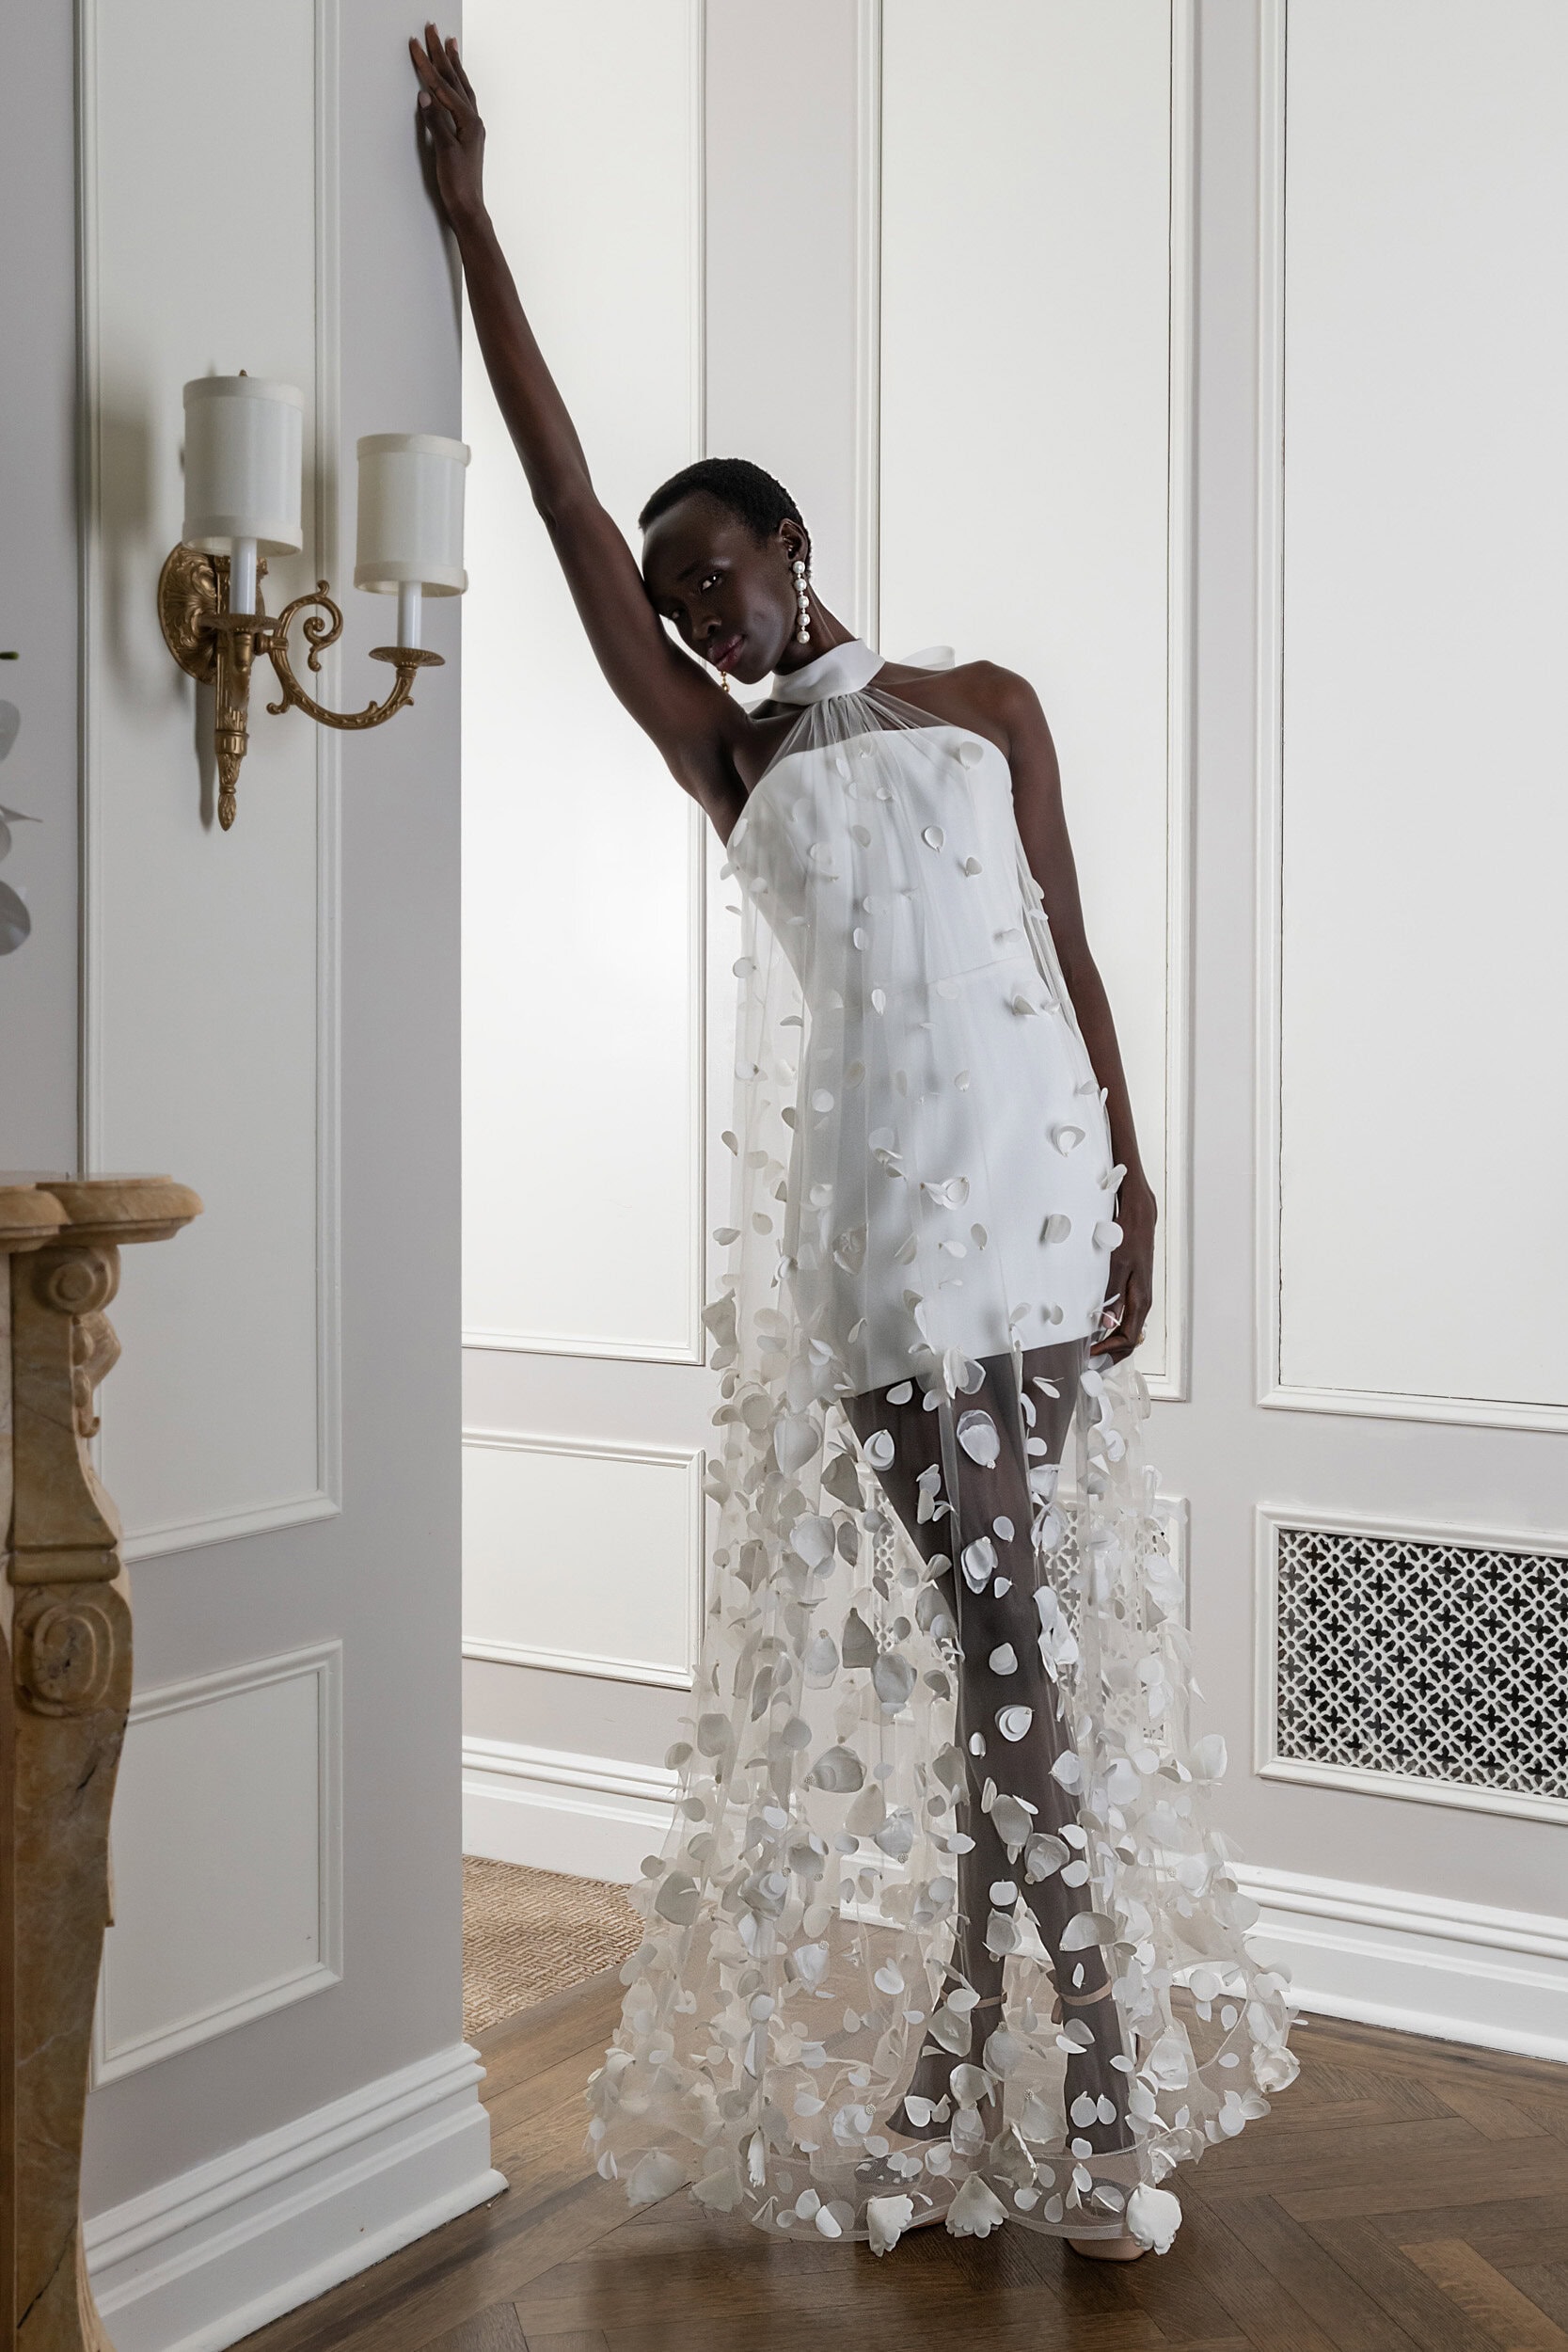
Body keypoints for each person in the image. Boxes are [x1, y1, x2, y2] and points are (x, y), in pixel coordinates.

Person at [409, 23, 1298, 2262]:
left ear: (791, 546)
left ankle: (944, 2078)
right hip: (892, 1244)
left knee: (1021, 1652)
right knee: (1008, 1647)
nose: (693, 609)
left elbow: (1069, 949)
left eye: (714, 570)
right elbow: (558, 506)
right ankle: (1096, 2084)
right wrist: (475, 228)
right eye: (672, 595)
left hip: (1045, 1212)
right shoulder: (732, 761)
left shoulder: (991, 707)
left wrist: (1142, 1175)